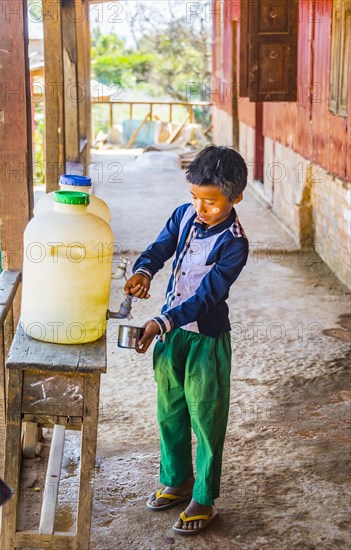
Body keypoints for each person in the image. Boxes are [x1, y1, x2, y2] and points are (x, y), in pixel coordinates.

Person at [124, 145, 249, 536]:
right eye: (195, 197)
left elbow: (206, 297)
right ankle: (176, 481)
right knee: (170, 411)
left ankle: (204, 498)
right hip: (170, 336)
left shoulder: (234, 243)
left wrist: (161, 322)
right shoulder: (183, 216)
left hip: (205, 341)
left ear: (235, 198)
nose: (200, 207)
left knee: (206, 419)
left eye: (210, 202)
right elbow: (159, 248)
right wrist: (144, 271)